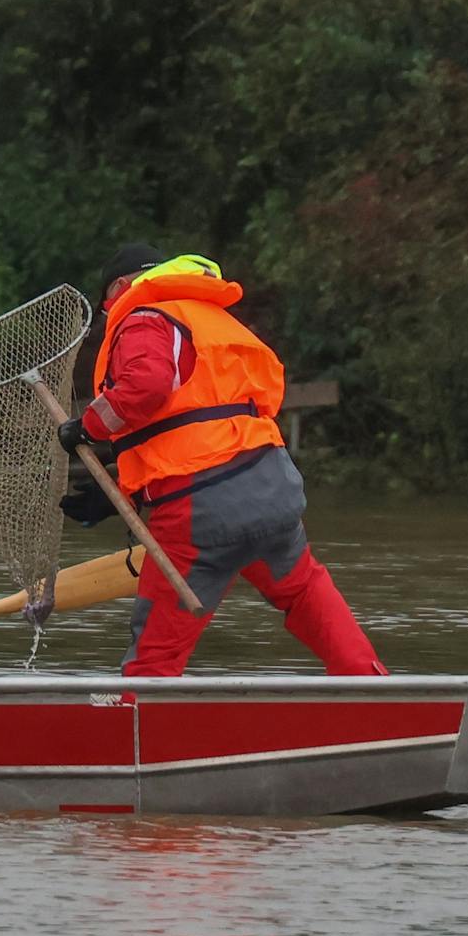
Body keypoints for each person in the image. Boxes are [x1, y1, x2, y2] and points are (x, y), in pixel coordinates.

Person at [56, 245, 388, 678]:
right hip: (271, 485)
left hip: (201, 510)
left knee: (156, 647)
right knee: (304, 590)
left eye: (105, 305)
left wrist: (87, 428)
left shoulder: (144, 316)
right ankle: (371, 686)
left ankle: (137, 716)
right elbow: (201, 421)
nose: (107, 314)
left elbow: (148, 387)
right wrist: (124, 489)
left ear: (120, 287)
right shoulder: (211, 317)